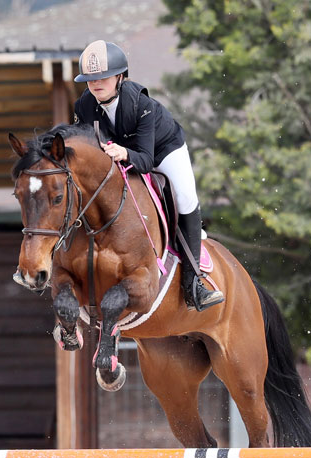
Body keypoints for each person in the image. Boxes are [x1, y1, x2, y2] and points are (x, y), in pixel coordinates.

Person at [73, 40, 224, 312]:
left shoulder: (142, 104)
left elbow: (145, 161)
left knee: (186, 197)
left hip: (163, 150)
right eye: (90, 79)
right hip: (120, 152)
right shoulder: (84, 106)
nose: (96, 84)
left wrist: (125, 154)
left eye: (103, 77)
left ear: (120, 77)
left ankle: (194, 284)